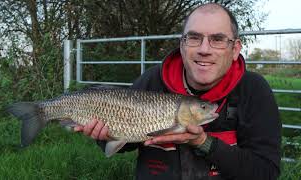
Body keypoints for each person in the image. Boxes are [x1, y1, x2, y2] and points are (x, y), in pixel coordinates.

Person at [74, 3, 281, 180]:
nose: (204, 49)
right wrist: (104, 135)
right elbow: (125, 143)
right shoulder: (152, 80)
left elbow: (266, 172)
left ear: (235, 49)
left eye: (217, 39)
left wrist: (203, 142)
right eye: (194, 38)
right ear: (182, 45)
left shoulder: (254, 90)